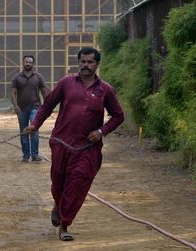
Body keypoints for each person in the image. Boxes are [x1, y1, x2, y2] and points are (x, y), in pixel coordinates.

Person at [24, 47, 124, 241]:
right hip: (62, 143)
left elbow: (119, 116)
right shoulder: (66, 83)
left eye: (90, 62)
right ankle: (57, 203)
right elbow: (47, 105)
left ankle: (64, 225)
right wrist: (35, 124)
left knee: (77, 184)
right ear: (78, 63)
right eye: (83, 62)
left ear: (97, 64)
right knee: (58, 184)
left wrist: (101, 131)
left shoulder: (105, 90)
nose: (86, 65)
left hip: (88, 148)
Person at [11, 55, 50, 163]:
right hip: (21, 109)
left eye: (30, 62)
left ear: (33, 64)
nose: (28, 64)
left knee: (34, 129)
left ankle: (35, 155)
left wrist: (46, 106)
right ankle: (26, 155)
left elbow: (44, 92)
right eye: (26, 62)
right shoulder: (17, 77)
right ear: (23, 63)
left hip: (35, 107)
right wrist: (15, 106)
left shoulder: (38, 77)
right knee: (23, 132)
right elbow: (13, 93)